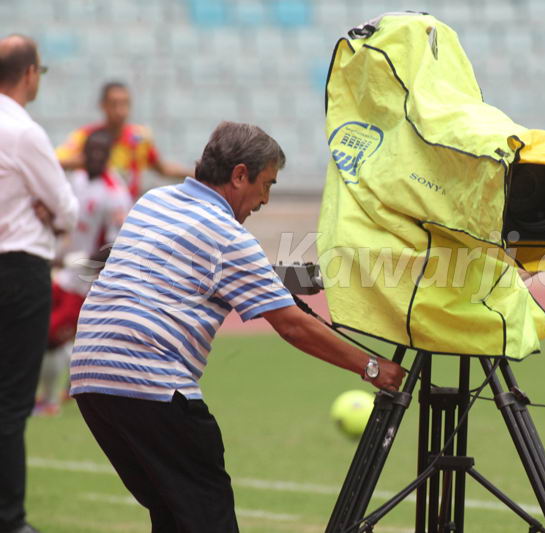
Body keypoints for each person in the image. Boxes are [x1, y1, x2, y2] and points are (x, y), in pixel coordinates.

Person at [69, 121, 405, 533]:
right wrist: (373, 367)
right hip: (152, 384)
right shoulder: (229, 236)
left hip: (91, 381)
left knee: (173, 516)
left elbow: (207, 268)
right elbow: (292, 326)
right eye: (266, 185)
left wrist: (303, 278)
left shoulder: (155, 201)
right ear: (240, 174)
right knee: (208, 519)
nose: (265, 199)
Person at [0, 34, 79, 533]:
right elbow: (67, 209)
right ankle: (9, 519)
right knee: (11, 401)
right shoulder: (22, 132)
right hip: (17, 268)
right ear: (30, 73)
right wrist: (49, 214)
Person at [35, 128, 132, 416]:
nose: (95, 156)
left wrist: (84, 262)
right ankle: (64, 387)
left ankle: (49, 401)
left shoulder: (115, 194)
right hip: (64, 276)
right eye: (91, 150)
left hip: (86, 283)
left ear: (109, 155)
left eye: (101, 152)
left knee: (51, 337)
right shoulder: (76, 180)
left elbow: (117, 244)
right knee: (38, 328)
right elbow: (66, 222)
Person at [56, 81, 193, 199]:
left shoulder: (139, 138)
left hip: (127, 211)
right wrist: (85, 162)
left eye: (125, 104)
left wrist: (196, 174)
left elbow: (162, 168)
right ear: (103, 105)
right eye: (114, 104)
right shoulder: (87, 137)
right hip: (96, 213)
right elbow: (56, 161)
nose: (120, 111)